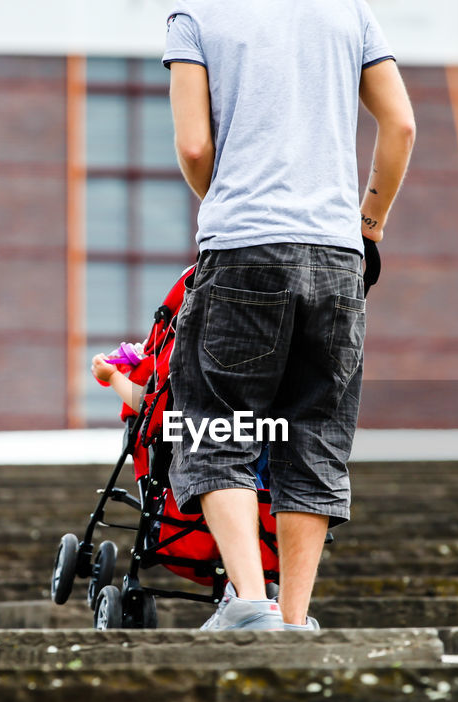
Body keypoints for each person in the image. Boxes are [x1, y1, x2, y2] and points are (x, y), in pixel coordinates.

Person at [163, 0, 416, 631]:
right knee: (314, 435)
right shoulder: (351, 14)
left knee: (216, 424)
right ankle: (297, 617)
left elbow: (195, 144)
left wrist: (225, 202)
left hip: (243, 247)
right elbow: (402, 126)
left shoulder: (195, 16)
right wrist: (370, 223)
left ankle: (250, 602)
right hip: (337, 255)